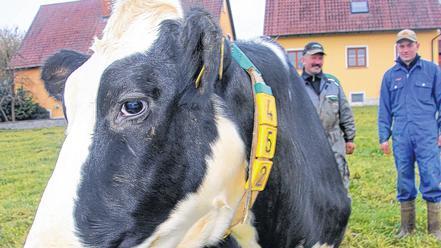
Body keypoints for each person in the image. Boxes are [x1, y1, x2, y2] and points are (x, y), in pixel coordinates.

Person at [378, 29, 441, 240]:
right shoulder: (389, 76)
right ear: (397, 48)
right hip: (401, 137)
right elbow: (384, 109)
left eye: (409, 45)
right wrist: (383, 136)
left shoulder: (432, 71)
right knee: (404, 179)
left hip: (427, 135)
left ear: (417, 46)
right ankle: (407, 228)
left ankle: (435, 229)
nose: (405, 49)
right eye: (401, 46)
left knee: (431, 177)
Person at [301, 42, 356, 190]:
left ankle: (341, 212)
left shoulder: (333, 84)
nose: (317, 62)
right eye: (313, 57)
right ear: (303, 60)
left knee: (339, 179)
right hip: (308, 142)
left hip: (334, 140)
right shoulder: (296, 87)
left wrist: (350, 138)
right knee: (313, 182)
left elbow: (345, 111)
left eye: (320, 58)